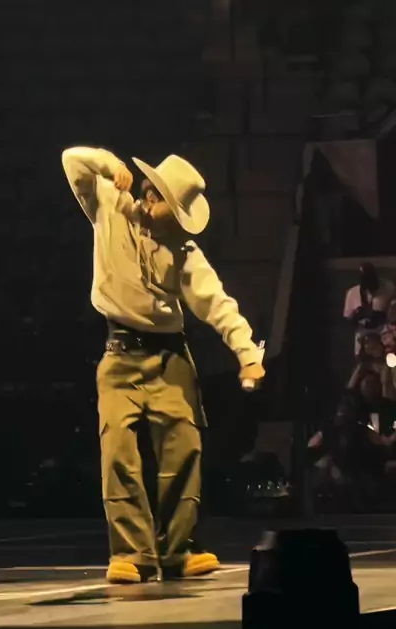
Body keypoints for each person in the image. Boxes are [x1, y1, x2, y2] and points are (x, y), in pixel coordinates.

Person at [61, 146, 265, 583]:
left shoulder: (184, 250)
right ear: (150, 196)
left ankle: (178, 549)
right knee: (118, 451)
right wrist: (110, 164)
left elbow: (217, 304)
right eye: (168, 209)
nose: (171, 221)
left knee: (183, 449)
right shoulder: (111, 208)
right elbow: (72, 160)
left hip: (170, 356)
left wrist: (248, 354)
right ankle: (131, 552)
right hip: (120, 353)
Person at [343, 262, 394, 355]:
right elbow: (348, 318)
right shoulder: (352, 293)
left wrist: (381, 316)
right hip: (362, 335)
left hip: (384, 333)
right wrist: (358, 316)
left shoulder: (388, 288)